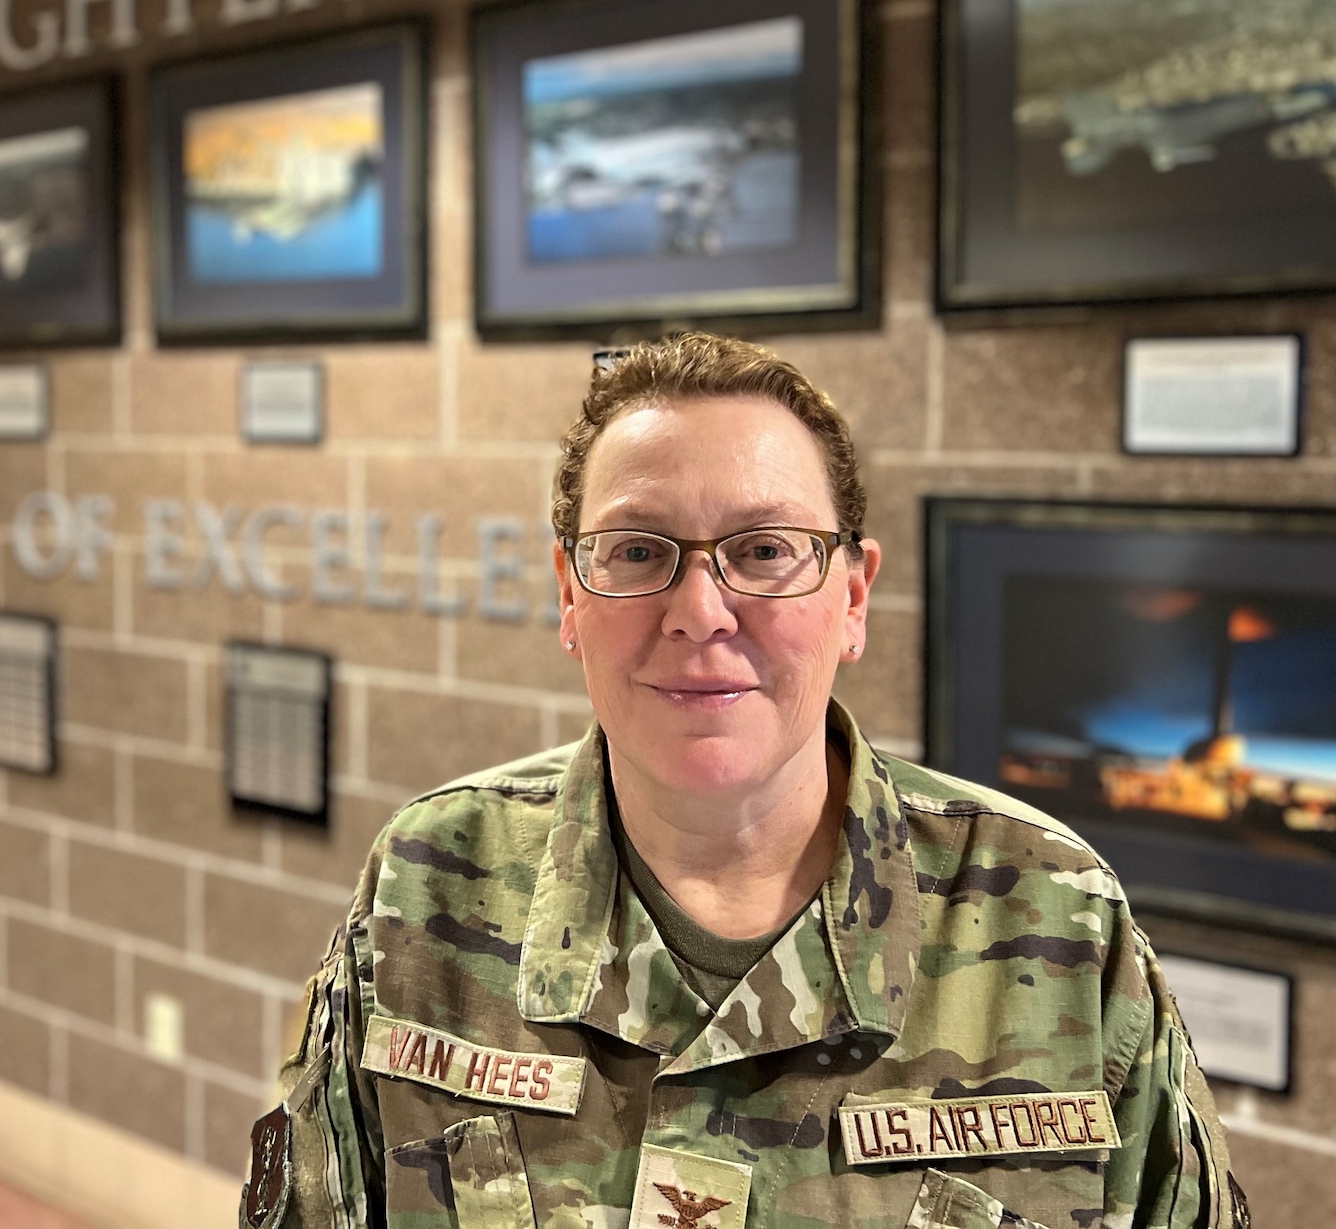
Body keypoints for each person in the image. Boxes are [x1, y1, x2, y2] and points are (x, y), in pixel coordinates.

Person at [241, 332, 1245, 1229]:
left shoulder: (1053, 913)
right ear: (567, 597)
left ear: (852, 597)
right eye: (637, 551)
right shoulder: (427, 886)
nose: (699, 611)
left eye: (764, 550)